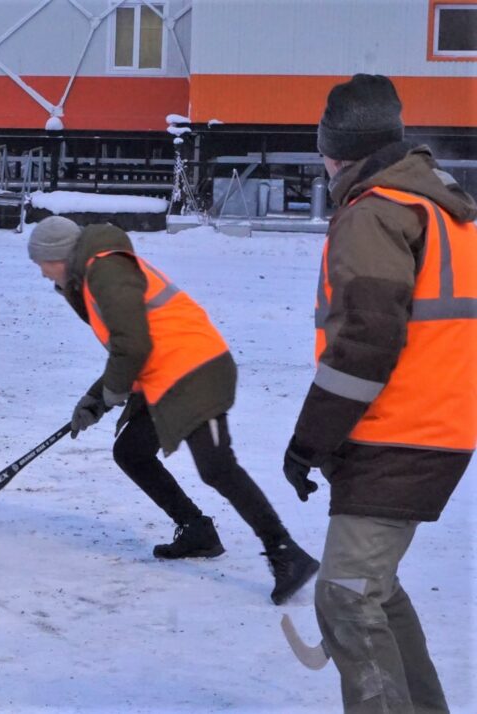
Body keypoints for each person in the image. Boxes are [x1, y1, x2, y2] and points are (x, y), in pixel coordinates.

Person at [283, 74, 476, 712]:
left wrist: (310, 440)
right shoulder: (439, 205)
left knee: (346, 593)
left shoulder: (374, 213)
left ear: (339, 151)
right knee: (376, 588)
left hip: (399, 432)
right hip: (435, 426)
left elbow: (365, 342)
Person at [27, 216, 319, 605]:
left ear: (60, 256)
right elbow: (128, 347)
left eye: (43, 263)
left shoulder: (105, 269)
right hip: (165, 373)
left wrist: (110, 393)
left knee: (217, 466)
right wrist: (96, 399)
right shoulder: (92, 272)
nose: (43, 274)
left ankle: (285, 552)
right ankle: (196, 529)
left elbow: (132, 345)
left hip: (196, 369)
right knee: (131, 451)